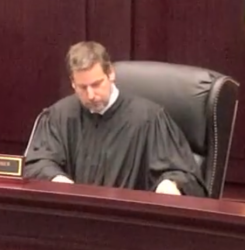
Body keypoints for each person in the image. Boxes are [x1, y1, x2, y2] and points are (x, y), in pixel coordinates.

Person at [24, 41, 207, 197]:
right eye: (82, 87)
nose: (91, 95)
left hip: (130, 226)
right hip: (73, 222)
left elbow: (184, 174)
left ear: (111, 73)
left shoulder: (149, 119)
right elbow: (37, 162)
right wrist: (57, 179)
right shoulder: (59, 116)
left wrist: (170, 184)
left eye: (96, 84)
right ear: (72, 82)